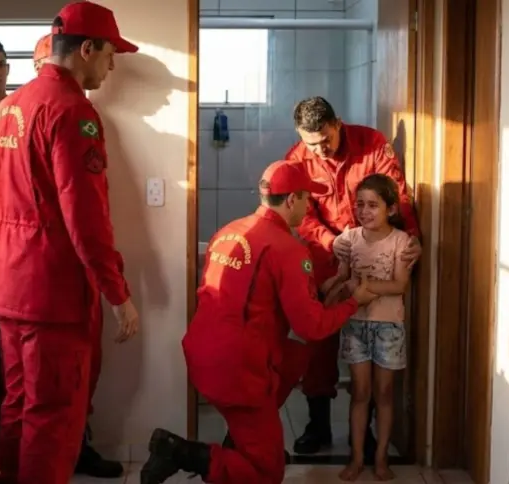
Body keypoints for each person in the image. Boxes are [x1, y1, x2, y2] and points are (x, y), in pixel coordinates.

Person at [0, 3, 140, 483]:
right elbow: (86, 220)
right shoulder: (72, 112)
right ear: (86, 49)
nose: (111, 65)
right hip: (51, 292)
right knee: (54, 415)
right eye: (110, 53)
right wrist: (118, 294)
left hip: (8, 283)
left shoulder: (6, 108)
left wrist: (11, 256)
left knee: (18, 402)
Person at [140, 161, 379, 484]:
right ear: (292, 200)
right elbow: (312, 327)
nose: (310, 206)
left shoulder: (229, 231)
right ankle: (182, 452)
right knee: (267, 472)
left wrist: (330, 288)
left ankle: (241, 444)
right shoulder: (290, 250)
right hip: (239, 369)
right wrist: (354, 302)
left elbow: (266, 297)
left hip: (203, 353)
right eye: (308, 198)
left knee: (295, 356)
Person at [285, 96, 422, 458]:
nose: (319, 150)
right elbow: (304, 218)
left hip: (377, 251)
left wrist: (412, 239)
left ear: (338, 122)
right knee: (319, 341)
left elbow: (399, 196)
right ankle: (318, 424)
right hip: (327, 257)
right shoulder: (297, 158)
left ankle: (367, 434)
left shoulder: (372, 144)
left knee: (373, 334)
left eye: (325, 140)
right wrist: (334, 243)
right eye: (310, 143)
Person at [323, 174, 412, 481]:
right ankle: (357, 458)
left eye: (373, 205)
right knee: (360, 393)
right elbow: (342, 277)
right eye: (360, 204)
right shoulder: (348, 239)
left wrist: (362, 285)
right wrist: (335, 289)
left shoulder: (402, 241)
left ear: (390, 208)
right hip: (355, 326)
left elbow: (400, 283)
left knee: (384, 394)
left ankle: (381, 457)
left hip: (388, 327)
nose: (364, 211)